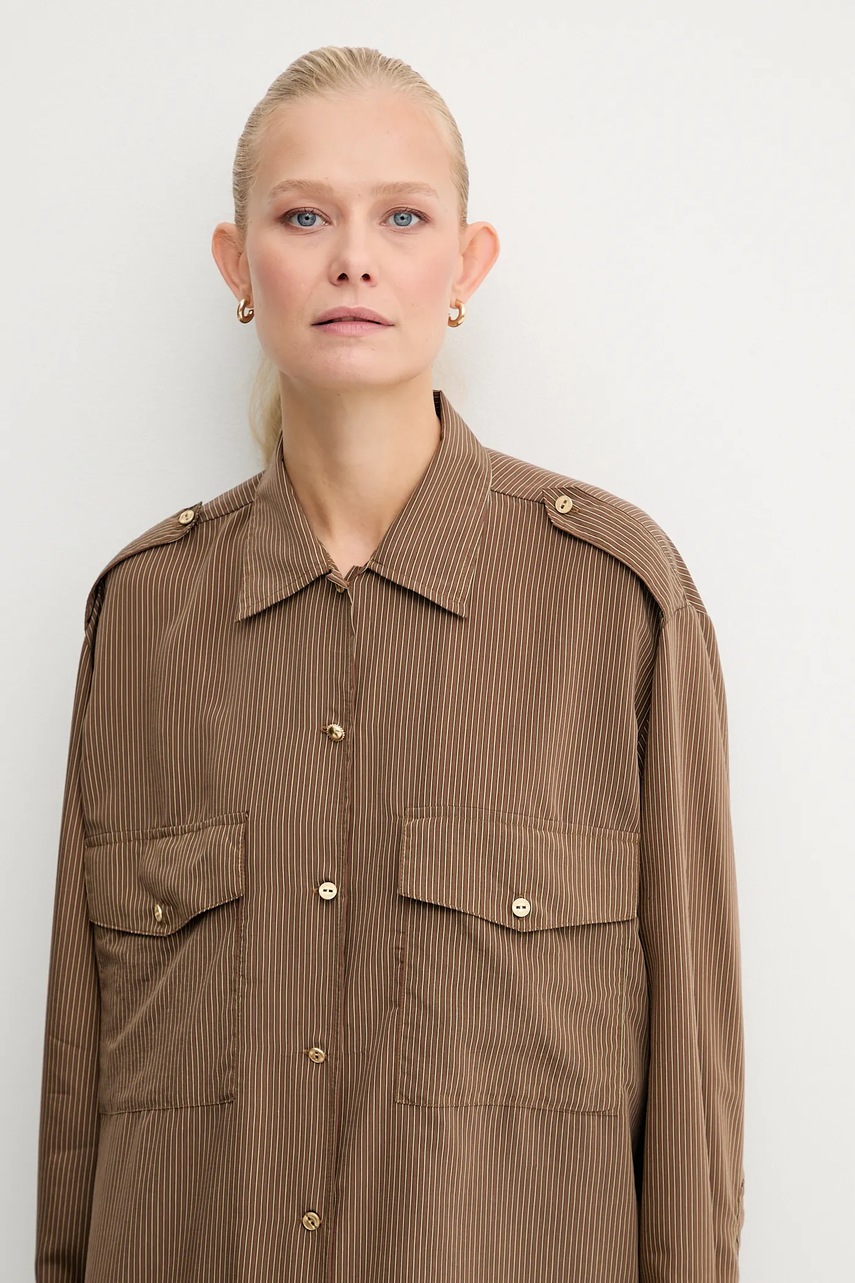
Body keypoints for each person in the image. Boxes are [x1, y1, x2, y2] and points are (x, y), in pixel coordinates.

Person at [35, 44, 745, 1283]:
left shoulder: (618, 602)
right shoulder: (143, 614)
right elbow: (80, 1100)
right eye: (304, 216)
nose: (353, 258)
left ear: (466, 264)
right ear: (237, 265)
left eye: (402, 216)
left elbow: (690, 1093)